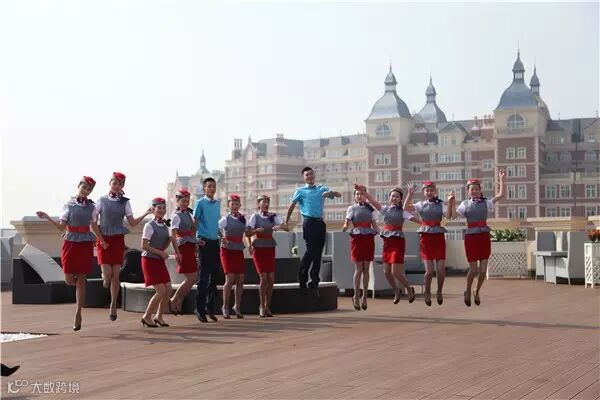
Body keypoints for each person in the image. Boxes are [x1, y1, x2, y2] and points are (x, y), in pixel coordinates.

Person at [36, 176, 100, 331]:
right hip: (70, 242)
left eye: (89, 189)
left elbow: (94, 226)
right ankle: (79, 290)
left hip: (85, 242)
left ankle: (78, 313)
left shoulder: (92, 207)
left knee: (82, 278)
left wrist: (101, 240)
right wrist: (47, 217)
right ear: (79, 186)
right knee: (69, 279)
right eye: (84, 187)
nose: (86, 191)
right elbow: (61, 227)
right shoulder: (68, 205)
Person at [95, 171, 152, 321]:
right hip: (103, 239)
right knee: (107, 276)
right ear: (110, 183)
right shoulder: (101, 200)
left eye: (120, 184)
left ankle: (113, 304)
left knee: (116, 274)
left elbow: (132, 223)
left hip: (117, 240)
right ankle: (104, 278)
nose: (117, 186)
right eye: (115, 183)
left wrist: (146, 213)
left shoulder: (125, 202)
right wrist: (101, 239)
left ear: (123, 186)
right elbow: (93, 222)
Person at [355, 184, 420, 304]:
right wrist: (363, 192)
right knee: (386, 272)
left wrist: (427, 225)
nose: (394, 198)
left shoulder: (403, 212)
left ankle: (409, 288)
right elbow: (373, 201)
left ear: (400, 199)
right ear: (389, 197)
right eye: (392, 196)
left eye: (397, 196)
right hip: (387, 243)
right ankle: (396, 291)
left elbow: (417, 220)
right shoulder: (384, 209)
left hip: (398, 242)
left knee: (396, 272)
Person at [285, 167, 341, 298]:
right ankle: (302, 276)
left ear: (314, 175)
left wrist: (331, 193)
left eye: (311, 174)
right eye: (307, 175)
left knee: (318, 253)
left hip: (320, 223)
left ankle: (314, 281)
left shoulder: (321, 188)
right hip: (309, 222)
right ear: (304, 177)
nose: (309, 176)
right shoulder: (300, 191)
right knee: (311, 250)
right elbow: (291, 206)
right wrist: (286, 222)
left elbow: (338, 195)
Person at [457, 170, 506, 307]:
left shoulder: (486, 202)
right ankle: (467, 290)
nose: (474, 191)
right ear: (468, 191)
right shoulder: (464, 204)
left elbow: (500, 195)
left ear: (480, 190)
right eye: (472, 189)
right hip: (471, 238)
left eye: (476, 189)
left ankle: (476, 291)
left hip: (483, 236)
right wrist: (450, 201)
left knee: (483, 271)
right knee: (473, 270)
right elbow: (454, 215)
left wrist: (502, 179)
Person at [403, 181, 455, 306]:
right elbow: (405, 208)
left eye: (432, 190)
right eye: (427, 190)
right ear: (424, 192)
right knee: (429, 272)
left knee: (441, 270)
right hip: (426, 239)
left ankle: (439, 291)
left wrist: (450, 202)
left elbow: (448, 215)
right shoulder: (421, 204)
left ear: (435, 191)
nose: (429, 192)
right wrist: (409, 194)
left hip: (438, 237)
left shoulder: (440, 204)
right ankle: (427, 292)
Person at [247, 195, 288, 317]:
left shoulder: (273, 216)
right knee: (263, 277)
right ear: (258, 204)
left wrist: (279, 227)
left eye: (267, 202)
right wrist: (255, 231)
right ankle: (261, 306)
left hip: (269, 247)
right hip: (259, 248)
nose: (266, 204)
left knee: (271, 278)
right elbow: (248, 233)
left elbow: (286, 227)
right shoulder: (254, 217)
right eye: (263, 202)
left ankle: (267, 306)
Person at [140, 197, 178, 327]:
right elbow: (144, 246)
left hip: (159, 260)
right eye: (159, 208)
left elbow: (163, 246)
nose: (161, 210)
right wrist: (161, 253)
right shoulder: (149, 225)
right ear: (153, 209)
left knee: (168, 289)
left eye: (163, 208)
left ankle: (159, 316)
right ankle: (146, 316)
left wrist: (169, 240)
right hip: (149, 260)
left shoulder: (165, 225)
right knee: (161, 290)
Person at [342, 189, 378, 311]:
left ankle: (364, 296)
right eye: (357, 194)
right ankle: (356, 295)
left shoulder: (371, 209)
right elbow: (346, 222)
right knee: (358, 269)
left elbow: (375, 225)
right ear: (354, 196)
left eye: (362, 194)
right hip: (357, 238)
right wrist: (345, 227)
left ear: (366, 195)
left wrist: (382, 233)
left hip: (368, 238)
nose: (359, 196)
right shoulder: (351, 208)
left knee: (366, 268)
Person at [193, 177, 221, 323]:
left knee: (214, 278)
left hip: (215, 242)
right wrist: (195, 240)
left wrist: (222, 235)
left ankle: (210, 307)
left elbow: (215, 223)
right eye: (209, 186)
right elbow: (195, 222)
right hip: (204, 243)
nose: (212, 188)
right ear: (204, 188)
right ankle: (199, 309)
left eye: (214, 186)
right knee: (203, 278)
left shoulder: (217, 204)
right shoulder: (200, 203)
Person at [218, 194, 250, 319]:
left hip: (238, 249)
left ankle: (237, 306)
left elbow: (248, 233)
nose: (235, 206)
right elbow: (217, 228)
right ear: (229, 205)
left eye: (237, 204)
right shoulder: (225, 219)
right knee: (230, 278)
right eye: (233, 204)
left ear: (240, 205)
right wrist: (222, 238)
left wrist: (255, 232)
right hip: (227, 250)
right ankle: (225, 307)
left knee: (240, 279)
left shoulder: (243, 219)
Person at [169, 188, 198, 315]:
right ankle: (175, 299)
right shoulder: (176, 216)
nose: (185, 203)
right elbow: (173, 236)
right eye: (183, 201)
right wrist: (177, 253)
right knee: (191, 278)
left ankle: (178, 301)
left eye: (187, 201)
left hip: (190, 247)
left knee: (192, 278)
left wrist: (196, 243)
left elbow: (193, 231)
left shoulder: (189, 214)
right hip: (182, 248)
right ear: (177, 201)